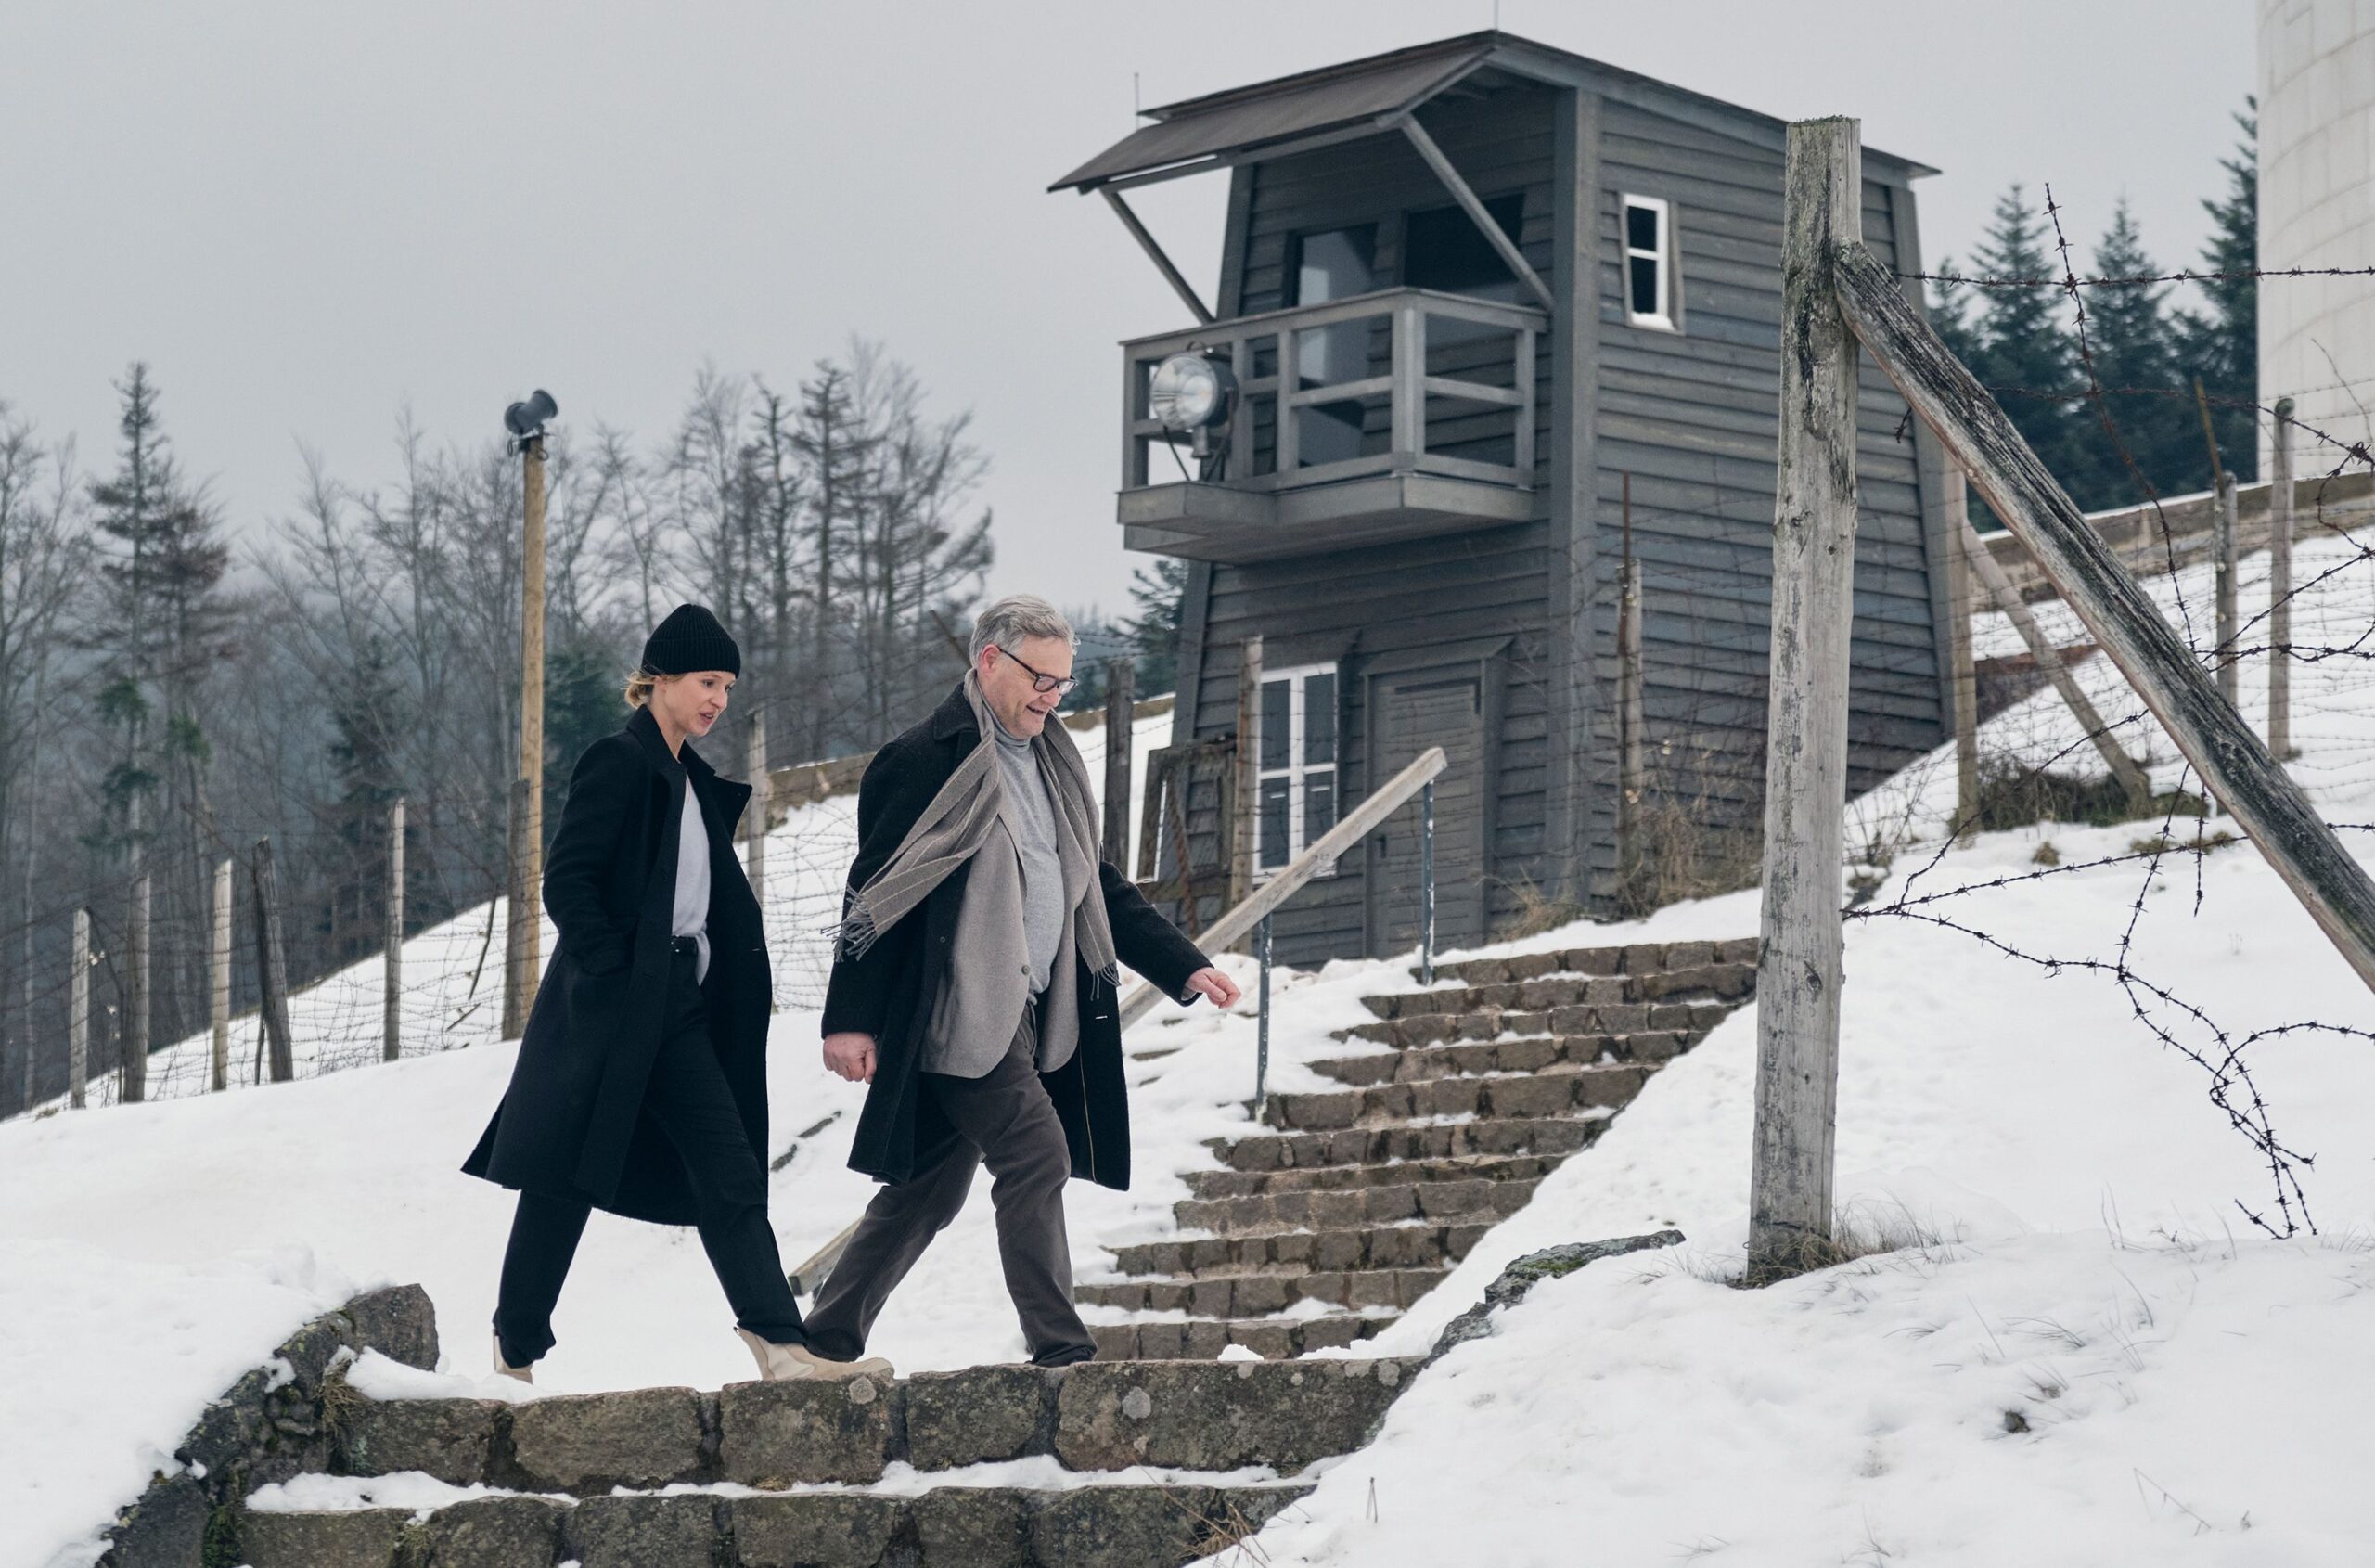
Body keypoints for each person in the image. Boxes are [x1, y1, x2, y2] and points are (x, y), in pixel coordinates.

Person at [805, 595, 1242, 1369]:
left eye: (1063, 682)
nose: (1052, 696)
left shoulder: (1052, 767)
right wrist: (850, 1018)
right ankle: (1061, 1348)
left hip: (1034, 1006)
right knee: (1037, 1152)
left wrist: (1184, 962)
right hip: (960, 1006)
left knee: (927, 1191)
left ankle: (824, 1342)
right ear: (990, 661)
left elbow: (1093, 884)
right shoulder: (923, 759)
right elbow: (876, 893)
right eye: (1040, 679)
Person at [462, 604, 886, 1384]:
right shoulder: (618, 762)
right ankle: (514, 1349)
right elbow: (569, 882)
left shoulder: (691, 778)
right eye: (706, 682)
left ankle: (779, 1342)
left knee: (727, 1167)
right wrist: (617, 971)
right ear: (658, 678)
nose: (718, 699)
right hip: (618, 1006)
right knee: (564, 1180)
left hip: (677, 1009)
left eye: (726, 686)